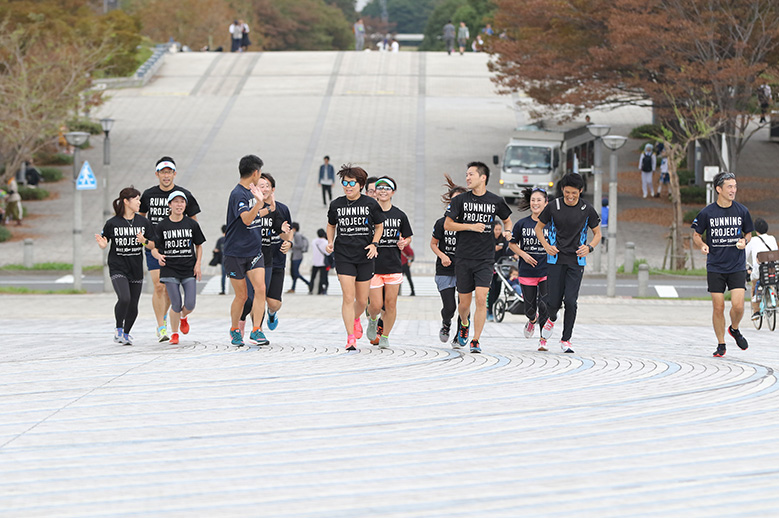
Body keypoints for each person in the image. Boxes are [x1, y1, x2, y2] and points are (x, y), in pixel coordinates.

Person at [444, 161, 512, 354]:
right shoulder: (460, 201)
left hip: (485, 259)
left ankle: (476, 339)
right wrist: (470, 226)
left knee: (481, 300)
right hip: (464, 258)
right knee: (464, 304)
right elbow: (448, 225)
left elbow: (507, 219)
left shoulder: (495, 200)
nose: (467, 178)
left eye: (471, 174)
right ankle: (464, 323)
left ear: (483, 178)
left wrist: (508, 231)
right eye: (466, 175)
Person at [534, 173, 602, 353]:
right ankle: (550, 319)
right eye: (567, 193)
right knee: (553, 303)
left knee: (571, 301)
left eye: (574, 193)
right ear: (562, 190)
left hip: (576, 261)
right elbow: (538, 228)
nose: (570, 197)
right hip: (555, 259)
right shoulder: (553, 206)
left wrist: (590, 248)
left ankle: (566, 340)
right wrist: (546, 246)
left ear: (581, 191)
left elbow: (597, 234)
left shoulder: (587, 209)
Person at [692, 171, 754, 357]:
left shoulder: (742, 211)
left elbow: (749, 233)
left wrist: (745, 241)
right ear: (719, 189)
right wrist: (702, 245)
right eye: (729, 187)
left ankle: (734, 329)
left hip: (736, 265)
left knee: (739, 306)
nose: (733, 190)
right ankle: (721, 344)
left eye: (735, 186)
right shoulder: (707, 213)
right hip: (716, 266)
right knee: (718, 307)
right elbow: (696, 234)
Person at [139, 157, 201, 343]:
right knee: (159, 286)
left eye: (169, 172)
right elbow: (141, 217)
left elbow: (194, 222)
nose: (166, 176)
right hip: (154, 245)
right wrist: (143, 239)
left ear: (174, 174)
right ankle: (161, 326)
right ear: (157, 174)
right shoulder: (148, 195)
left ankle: (172, 316)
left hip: (178, 249)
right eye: (162, 172)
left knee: (169, 289)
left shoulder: (184, 195)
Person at [326, 165, 385, 351]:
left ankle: (356, 317)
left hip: (365, 256)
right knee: (348, 297)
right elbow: (331, 225)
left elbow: (379, 226)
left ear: (360, 185)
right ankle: (350, 337)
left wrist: (374, 244)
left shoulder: (370, 204)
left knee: (361, 301)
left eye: (352, 183)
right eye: (345, 183)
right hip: (343, 255)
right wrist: (330, 241)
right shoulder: (336, 204)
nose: (348, 186)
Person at [223, 154, 277, 347]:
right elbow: (246, 219)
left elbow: (254, 216)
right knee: (242, 296)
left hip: (254, 251)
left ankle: (256, 330)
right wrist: (259, 203)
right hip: (235, 253)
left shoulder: (250, 191)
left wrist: (268, 208)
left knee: (261, 288)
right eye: (260, 172)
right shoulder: (238, 193)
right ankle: (234, 329)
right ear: (255, 172)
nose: (260, 176)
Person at [94, 187, 154, 346]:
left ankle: (126, 333)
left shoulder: (144, 222)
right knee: (124, 298)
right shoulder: (112, 223)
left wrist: (144, 242)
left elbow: (152, 244)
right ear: (127, 202)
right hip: (118, 267)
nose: (140, 202)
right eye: (137, 200)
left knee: (134, 303)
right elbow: (104, 240)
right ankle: (118, 329)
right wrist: (103, 244)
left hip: (136, 268)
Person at [149, 191, 206, 345]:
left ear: (185, 205)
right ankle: (174, 333)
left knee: (190, 304)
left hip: (188, 268)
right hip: (170, 269)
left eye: (182, 202)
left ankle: (183, 317)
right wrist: (158, 256)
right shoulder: (162, 225)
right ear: (170, 205)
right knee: (175, 303)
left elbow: (199, 245)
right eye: (176, 202)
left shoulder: (192, 224)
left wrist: (198, 264)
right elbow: (154, 248)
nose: (179, 205)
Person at [366, 176, 413, 349]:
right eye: (380, 188)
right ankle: (372, 320)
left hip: (393, 265)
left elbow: (408, 236)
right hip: (373, 266)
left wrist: (404, 242)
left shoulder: (399, 215)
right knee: (376, 306)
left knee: (391, 304)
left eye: (387, 188)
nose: (383, 190)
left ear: (393, 192)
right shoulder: (370, 213)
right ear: (375, 192)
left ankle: (385, 335)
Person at [509, 187, 550, 351]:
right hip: (527, 271)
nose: (535, 203)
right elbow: (512, 244)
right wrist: (523, 255)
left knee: (545, 304)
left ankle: (543, 339)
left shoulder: (552, 224)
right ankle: (532, 320)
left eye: (539, 200)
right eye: (533, 200)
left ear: (546, 203)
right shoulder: (522, 224)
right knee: (529, 309)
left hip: (546, 270)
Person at [431, 174, 466, 344]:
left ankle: (461, 332)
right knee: (450, 307)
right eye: (454, 200)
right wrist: (442, 255)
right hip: (445, 268)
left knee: (463, 306)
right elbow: (433, 244)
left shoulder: (469, 223)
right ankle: (446, 323)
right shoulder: (441, 222)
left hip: (464, 268)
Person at [745, 218, 777, 319]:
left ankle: (756, 311)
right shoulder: (772, 238)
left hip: (759, 270)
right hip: (773, 269)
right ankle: (773, 299)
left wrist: (748, 266)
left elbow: (745, 256)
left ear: (755, 230)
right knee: (770, 282)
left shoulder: (753, 240)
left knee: (755, 284)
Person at [487, 220, 511, 321]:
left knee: (498, 289)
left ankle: (494, 306)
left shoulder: (503, 239)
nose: (497, 232)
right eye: (496, 229)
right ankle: (489, 310)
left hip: (500, 267)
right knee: (491, 289)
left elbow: (507, 250)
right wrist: (493, 248)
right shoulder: (488, 238)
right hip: (489, 266)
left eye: (499, 230)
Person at [288, 222, 311, 293]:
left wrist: (291, 245)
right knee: (294, 273)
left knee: (295, 273)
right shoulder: (296, 235)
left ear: (294, 229)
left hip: (297, 257)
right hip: (295, 256)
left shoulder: (297, 235)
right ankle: (293, 288)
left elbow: (300, 245)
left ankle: (309, 283)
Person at [310, 228, 331, 295]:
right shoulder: (325, 242)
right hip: (323, 263)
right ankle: (320, 291)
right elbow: (328, 253)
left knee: (313, 277)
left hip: (315, 262)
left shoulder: (314, 241)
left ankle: (311, 289)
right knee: (322, 278)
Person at [213, 225, 227, 294]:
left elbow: (216, 250)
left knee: (223, 276)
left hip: (223, 260)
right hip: (232, 260)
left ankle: (223, 290)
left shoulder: (220, 240)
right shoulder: (231, 239)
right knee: (234, 275)